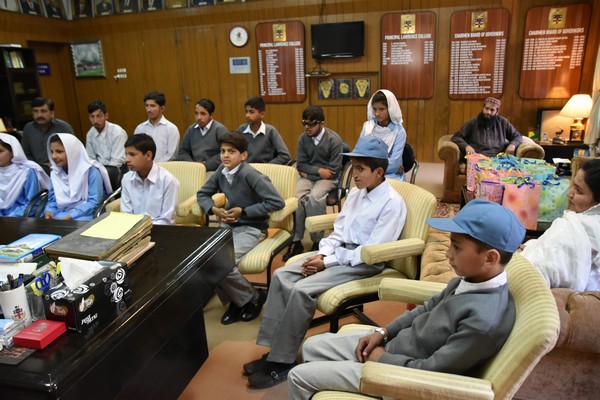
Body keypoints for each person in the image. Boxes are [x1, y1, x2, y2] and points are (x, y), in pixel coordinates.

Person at [287, 199, 525, 399]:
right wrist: (384, 332)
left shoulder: (483, 323)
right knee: (310, 347)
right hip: (393, 347)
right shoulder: (468, 280)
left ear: (490, 258)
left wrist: (382, 359)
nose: (447, 253)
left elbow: (432, 372)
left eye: (456, 247)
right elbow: (426, 308)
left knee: (298, 377)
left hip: (398, 377)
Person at [244, 136, 407, 389]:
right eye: (353, 168)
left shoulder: (392, 203)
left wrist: (327, 262)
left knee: (301, 290)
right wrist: (322, 254)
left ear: (378, 172)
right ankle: (275, 350)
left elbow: (370, 252)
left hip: (364, 262)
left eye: (360, 169)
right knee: (281, 275)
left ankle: (282, 362)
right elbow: (338, 232)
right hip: (339, 255)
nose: (354, 174)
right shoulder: (356, 194)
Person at [196, 132, 285, 325]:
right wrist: (214, 209)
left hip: (252, 228)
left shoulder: (250, 174)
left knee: (221, 263)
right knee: (205, 260)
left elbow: (277, 202)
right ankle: (240, 300)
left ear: (243, 155)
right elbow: (202, 194)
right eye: (222, 151)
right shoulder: (221, 170)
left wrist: (244, 211)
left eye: (231, 151)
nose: (225, 155)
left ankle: (251, 298)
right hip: (228, 226)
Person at [521, 159, 600, 291]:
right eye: (573, 185)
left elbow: (530, 273)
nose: (569, 193)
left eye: (579, 191)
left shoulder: (569, 229)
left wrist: (520, 254)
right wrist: (533, 245)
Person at [283, 105, 344, 261]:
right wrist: (318, 171)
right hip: (311, 177)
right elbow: (300, 165)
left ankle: (318, 241)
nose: (307, 127)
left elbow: (333, 170)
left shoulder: (334, 140)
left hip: (328, 179)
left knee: (315, 197)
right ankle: (296, 240)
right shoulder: (303, 139)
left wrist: (310, 172)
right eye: (304, 123)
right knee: (297, 198)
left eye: (311, 124)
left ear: (321, 123)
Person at [44, 134, 112, 221]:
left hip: (86, 213)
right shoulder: (55, 172)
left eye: (59, 152)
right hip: (62, 213)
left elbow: (94, 202)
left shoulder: (91, 172)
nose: (53, 156)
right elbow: (53, 200)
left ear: (72, 152)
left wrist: (71, 215)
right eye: (52, 152)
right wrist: (49, 211)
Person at [120, 134, 179, 225]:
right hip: (133, 230)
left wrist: (143, 229)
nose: (127, 159)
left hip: (161, 230)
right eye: (126, 154)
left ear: (148, 155)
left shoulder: (168, 180)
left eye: (132, 154)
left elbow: (166, 219)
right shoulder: (127, 179)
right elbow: (126, 214)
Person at [358, 89, 406, 181]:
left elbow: (394, 164)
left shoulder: (399, 131)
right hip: (370, 174)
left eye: (381, 109)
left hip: (391, 175)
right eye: (374, 109)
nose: (377, 113)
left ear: (391, 109)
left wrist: (368, 167)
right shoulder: (368, 127)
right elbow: (360, 155)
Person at [451, 97, 523, 158]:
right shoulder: (472, 122)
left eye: (492, 110)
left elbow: (518, 136)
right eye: (486, 108)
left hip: (499, 158)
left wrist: (512, 145)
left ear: (497, 111)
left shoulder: (503, 122)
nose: (488, 112)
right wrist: (467, 146)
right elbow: (456, 137)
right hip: (477, 157)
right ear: (483, 108)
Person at [21, 97, 75, 175]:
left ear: (52, 113)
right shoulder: (28, 128)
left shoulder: (64, 128)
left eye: (43, 111)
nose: (39, 115)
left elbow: (73, 152)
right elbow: (25, 153)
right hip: (36, 171)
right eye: (35, 111)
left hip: (61, 170)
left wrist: (55, 163)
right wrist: (36, 167)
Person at [0, 133, 49, 217]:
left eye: (0, 151)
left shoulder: (27, 171)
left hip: (21, 216)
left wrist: (9, 217)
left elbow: (32, 203)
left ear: (12, 152)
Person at [178, 98, 229, 174]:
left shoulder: (220, 129)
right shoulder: (191, 129)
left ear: (211, 115)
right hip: (193, 169)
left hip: (214, 170)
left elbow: (225, 153)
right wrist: (192, 165)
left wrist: (205, 165)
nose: (198, 117)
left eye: (203, 114)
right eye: (196, 113)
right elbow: (183, 151)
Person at [85, 100, 128, 189]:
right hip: (99, 173)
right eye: (92, 117)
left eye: (99, 116)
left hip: (118, 173)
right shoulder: (90, 134)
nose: (95, 121)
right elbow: (91, 159)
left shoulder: (117, 132)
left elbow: (117, 161)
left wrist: (102, 175)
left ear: (106, 116)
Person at [236, 96, 291, 165]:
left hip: (265, 169)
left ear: (262, 114)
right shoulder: (241, 130)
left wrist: (267, 166)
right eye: (246, 112)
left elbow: (285, 156)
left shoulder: (270, 131)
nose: (247, 115)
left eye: (251, 112)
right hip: (246, 169)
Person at [134, 91, 180, 163]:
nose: (148, 110)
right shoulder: (140, 128)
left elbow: (172, 155)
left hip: (165, 167)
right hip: (143, 166)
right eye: (147, 106)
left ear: (162, 108)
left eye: (152, 106)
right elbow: (135, 150)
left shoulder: (171, 129)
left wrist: (154, 166)